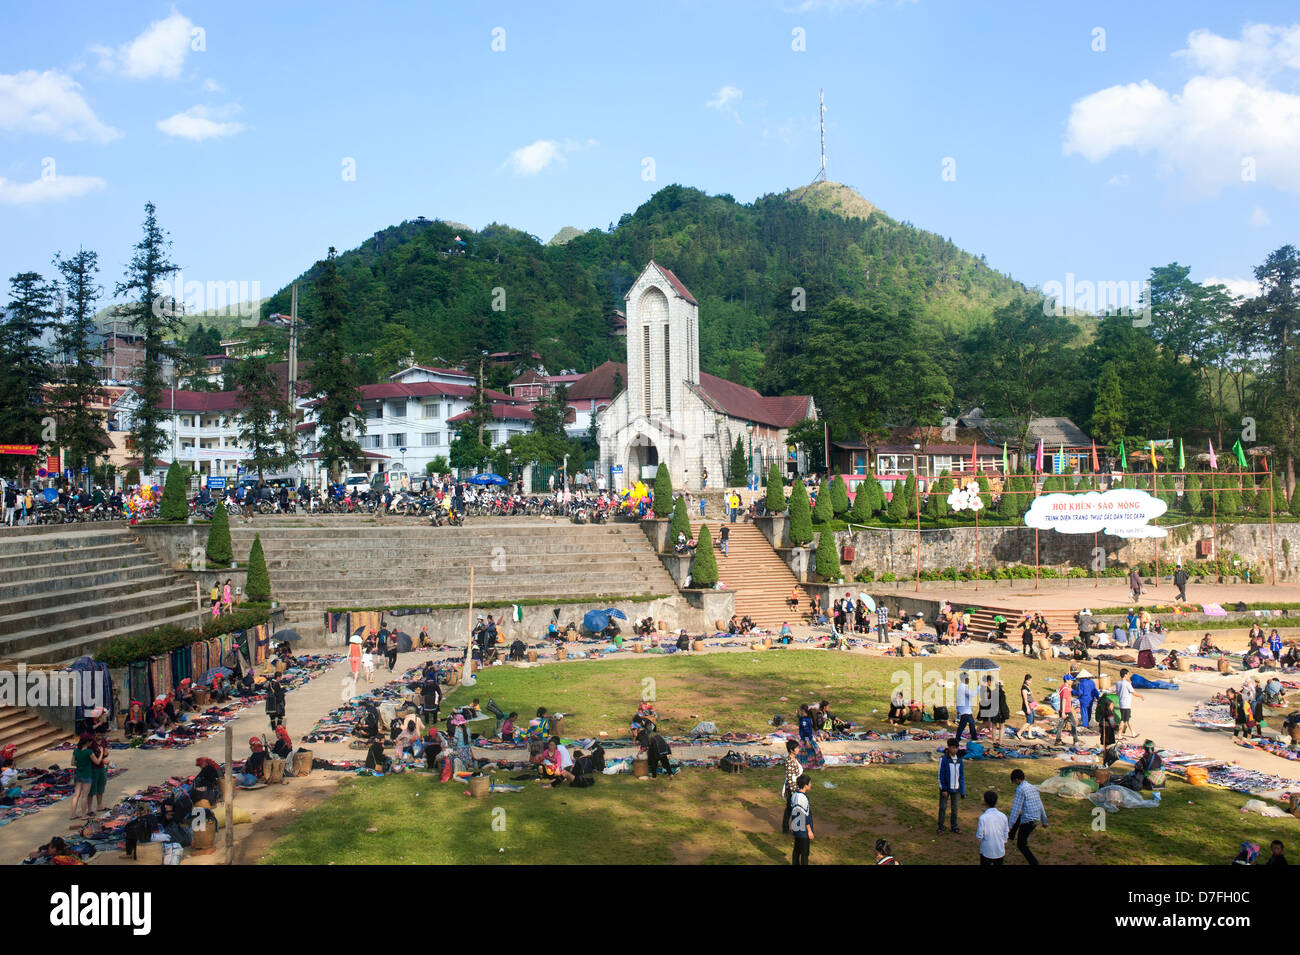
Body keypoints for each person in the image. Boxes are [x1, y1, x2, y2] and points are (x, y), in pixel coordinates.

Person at [1007, 768, 1046, 865]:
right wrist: (1044, 821)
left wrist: (1009, 825)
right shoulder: (1032, 787)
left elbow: (1015, 809)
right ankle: (1011, 836)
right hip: (1036, 818)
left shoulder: (1020, 789)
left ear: (1016, 780)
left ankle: (1034, 863)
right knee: (1020, 817)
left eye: (1014, 782)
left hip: (1029, 821)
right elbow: (1040, 804)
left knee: (1021, 845)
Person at [937, 737, 965, 834]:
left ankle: (954, 826)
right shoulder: (944, 760)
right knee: (943, 808)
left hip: (956, 789)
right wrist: (943, 788)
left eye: (956, 748)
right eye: (952, 748)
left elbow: (961, 776)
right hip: (945, 789)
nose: (954, 750)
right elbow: (941, 775)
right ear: (948, 748)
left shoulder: (959, 760)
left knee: (955, 808)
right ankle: (940, 826)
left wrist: (962, 791)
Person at [976, 789, 1009, 865]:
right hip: (999, 851)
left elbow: (979, 836)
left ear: (985, 802)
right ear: (996, 802)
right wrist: (1003, 841)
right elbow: (1006, 832)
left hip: (986, 850)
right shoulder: (1003, 816)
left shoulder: (983, 818)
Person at [789, 773, 813, 865]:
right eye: (810, 783)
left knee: (796, 850)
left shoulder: (794, 795)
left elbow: (792, 811)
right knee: (804, 853)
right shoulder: (803, 798)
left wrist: (792, 824)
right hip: (803, 829)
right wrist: (809, 830)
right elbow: (805, 816)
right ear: (805, 785)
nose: (811, 785)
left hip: (796, 825)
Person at [781, 740, 801, 834]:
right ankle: (787, 828)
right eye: (796, 748)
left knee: (792, 808)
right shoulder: (789, 761)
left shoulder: (795, 759)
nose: (798, 749)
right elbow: (789, 778)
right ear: (791, 750)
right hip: (791, 789)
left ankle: (793, 828)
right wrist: (794, 791)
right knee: (790, 808)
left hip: (796, 787)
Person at [1115, 668, 1143, 737]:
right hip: (1126, 704)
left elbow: (1117, 693)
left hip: (1121, 703)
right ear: (1125, 675)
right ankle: (1119, 734)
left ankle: (1133, 733)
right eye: (1128, 674)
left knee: (1127, 719)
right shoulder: (1127, 684)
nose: (1128, 676)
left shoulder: (1118, 683)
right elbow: (1134, 693)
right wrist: (1141, 696)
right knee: (1123, 720)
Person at [1054, 675, 1079, 746]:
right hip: (1066, 711)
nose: (1072, 681)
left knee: (1060, 726)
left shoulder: (1063, 687)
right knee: (1073, 724)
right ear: (1067, 680)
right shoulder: (1065, 689)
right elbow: (1064, 700)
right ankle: (1076, 740)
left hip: (1063, 710)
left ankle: (1058, 740)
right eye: (1071, 680)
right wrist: (1064, 712)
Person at [955, 673, 977, 742]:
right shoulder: (963, 688)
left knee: (965, 724)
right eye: (967, 678)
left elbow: (958, 698)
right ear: (965, 679)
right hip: (965, 709)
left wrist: (958, 708)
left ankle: (958, 737)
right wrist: (978, 687)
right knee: (970, 723)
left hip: (964, 709)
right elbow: (972, 694)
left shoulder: (960, 687)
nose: (968, 679)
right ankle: (974, 737)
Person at [1018, 674, 1036, 740]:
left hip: (1031, 706)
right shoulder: (1024, 689)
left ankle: (1029, 735)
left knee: (1031, 721)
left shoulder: (1027, 687)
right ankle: (1019, 733)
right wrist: (1027, 708)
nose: (1030, 682)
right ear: (1026, 680)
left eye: (1031, 680)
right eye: (1029, 680)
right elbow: (1025, 700)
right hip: (1027, 706)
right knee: (1029, 721)